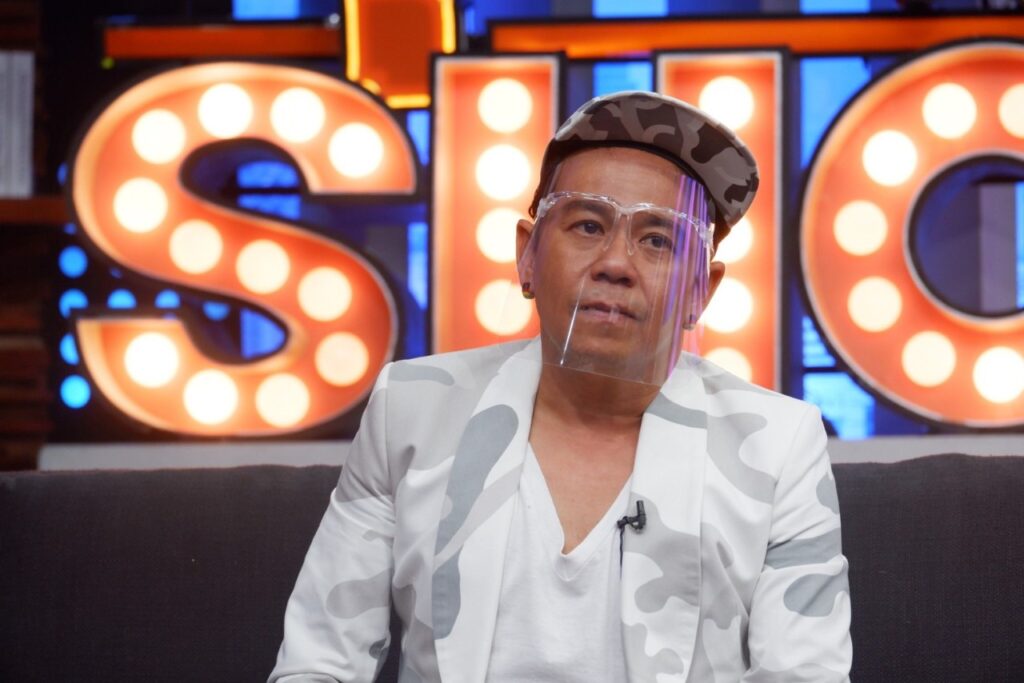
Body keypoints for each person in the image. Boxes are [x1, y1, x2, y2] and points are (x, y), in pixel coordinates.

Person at [269, 91, 852, 682]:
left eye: (658, 239)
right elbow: (318, 663)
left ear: (701, 290)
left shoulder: (779, 444)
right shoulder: (411, 409)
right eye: (588, 225)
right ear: (527, 254)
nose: (615, 263)